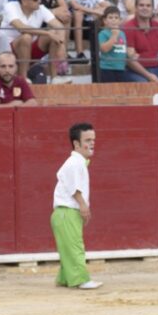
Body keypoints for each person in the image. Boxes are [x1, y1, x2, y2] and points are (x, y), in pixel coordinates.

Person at [51, 122, 101, 290]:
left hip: (64, 213)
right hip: (67, 212)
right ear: (76, 144)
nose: (92, 143)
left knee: (68, 247)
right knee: (74, 247)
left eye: (93, 139)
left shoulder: (76, 162)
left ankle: (65, 279)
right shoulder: (75, 163)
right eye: (87, 140)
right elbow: (75, 189)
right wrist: (83, 206)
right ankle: (80, 279)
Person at [0, 0, 67, 80]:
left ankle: (55, 78)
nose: (39, 1)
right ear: (24, 1)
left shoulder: (41, 8)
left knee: (54, 34)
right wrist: (48, 33)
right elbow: (21, 28)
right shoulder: (10, 6)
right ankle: (24, 78)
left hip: (30, 49)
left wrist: (61, 45)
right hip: (9, 51)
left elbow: (59, 26)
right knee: (26, 36)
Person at [123, 0, 158, 82]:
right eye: (141, 5)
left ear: (152, 9)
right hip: (135, 71)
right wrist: (149, 76)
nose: (145, 8)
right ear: (135, 8)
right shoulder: (128, 27)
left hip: (156, 68)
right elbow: (129, 60)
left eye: (148, 6)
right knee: (144, 83)